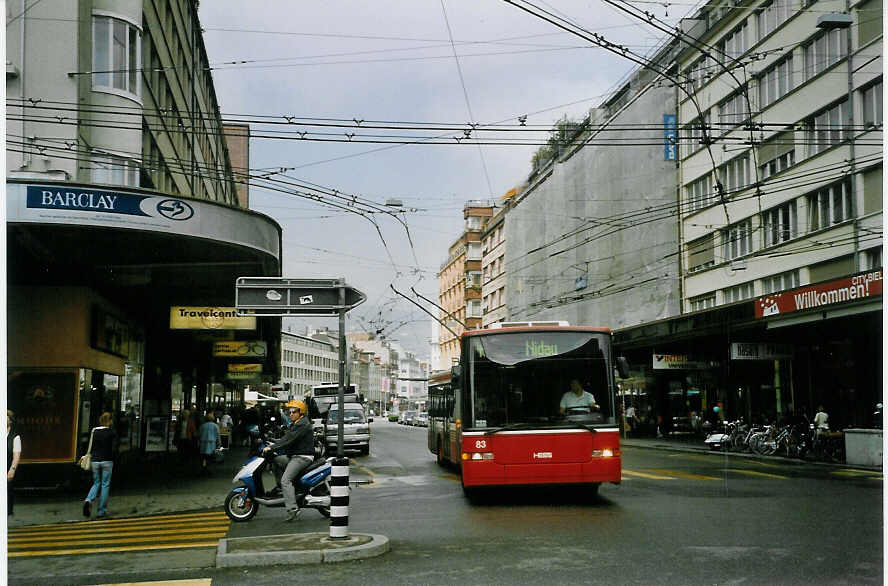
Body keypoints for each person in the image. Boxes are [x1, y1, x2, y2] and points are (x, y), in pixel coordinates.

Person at [262, 400, 314, 522]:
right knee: (275, 460)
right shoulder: (296, 423)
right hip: (295, 456)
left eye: (293, 411)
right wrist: (273, 442)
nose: (290, 414)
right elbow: (287, 438)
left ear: (300, 413)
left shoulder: (302, 424)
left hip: (302, 457)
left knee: (286, 480)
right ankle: (281, 487)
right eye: (289, 412)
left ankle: (293, 509)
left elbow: (288, 440)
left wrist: (272, 447)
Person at [83, 412, 117, 519]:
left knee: (96, 482)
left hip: (95, 461)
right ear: (110, 421)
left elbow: (91, 446)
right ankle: (101, 511)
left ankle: (88, 500)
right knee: (105, 484)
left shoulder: (95, 431)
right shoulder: (112, 432)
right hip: (107, 460)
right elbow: (115, 447)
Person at [7, 410, 22, 516]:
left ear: (10, 421)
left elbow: (16, 456)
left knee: (7, 491)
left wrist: (12, 470)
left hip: (7, 468)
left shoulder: (15, 437)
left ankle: (7, 512)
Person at [198, 410, 221, 475]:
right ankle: (209, 469)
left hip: (203, 443)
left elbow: (199, 435)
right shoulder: (215, 426)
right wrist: (219, 444)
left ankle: (204, 468)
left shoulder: (202, 426)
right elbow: (217, 435)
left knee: (203, 457)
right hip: (212, 443)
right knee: (211, 457)